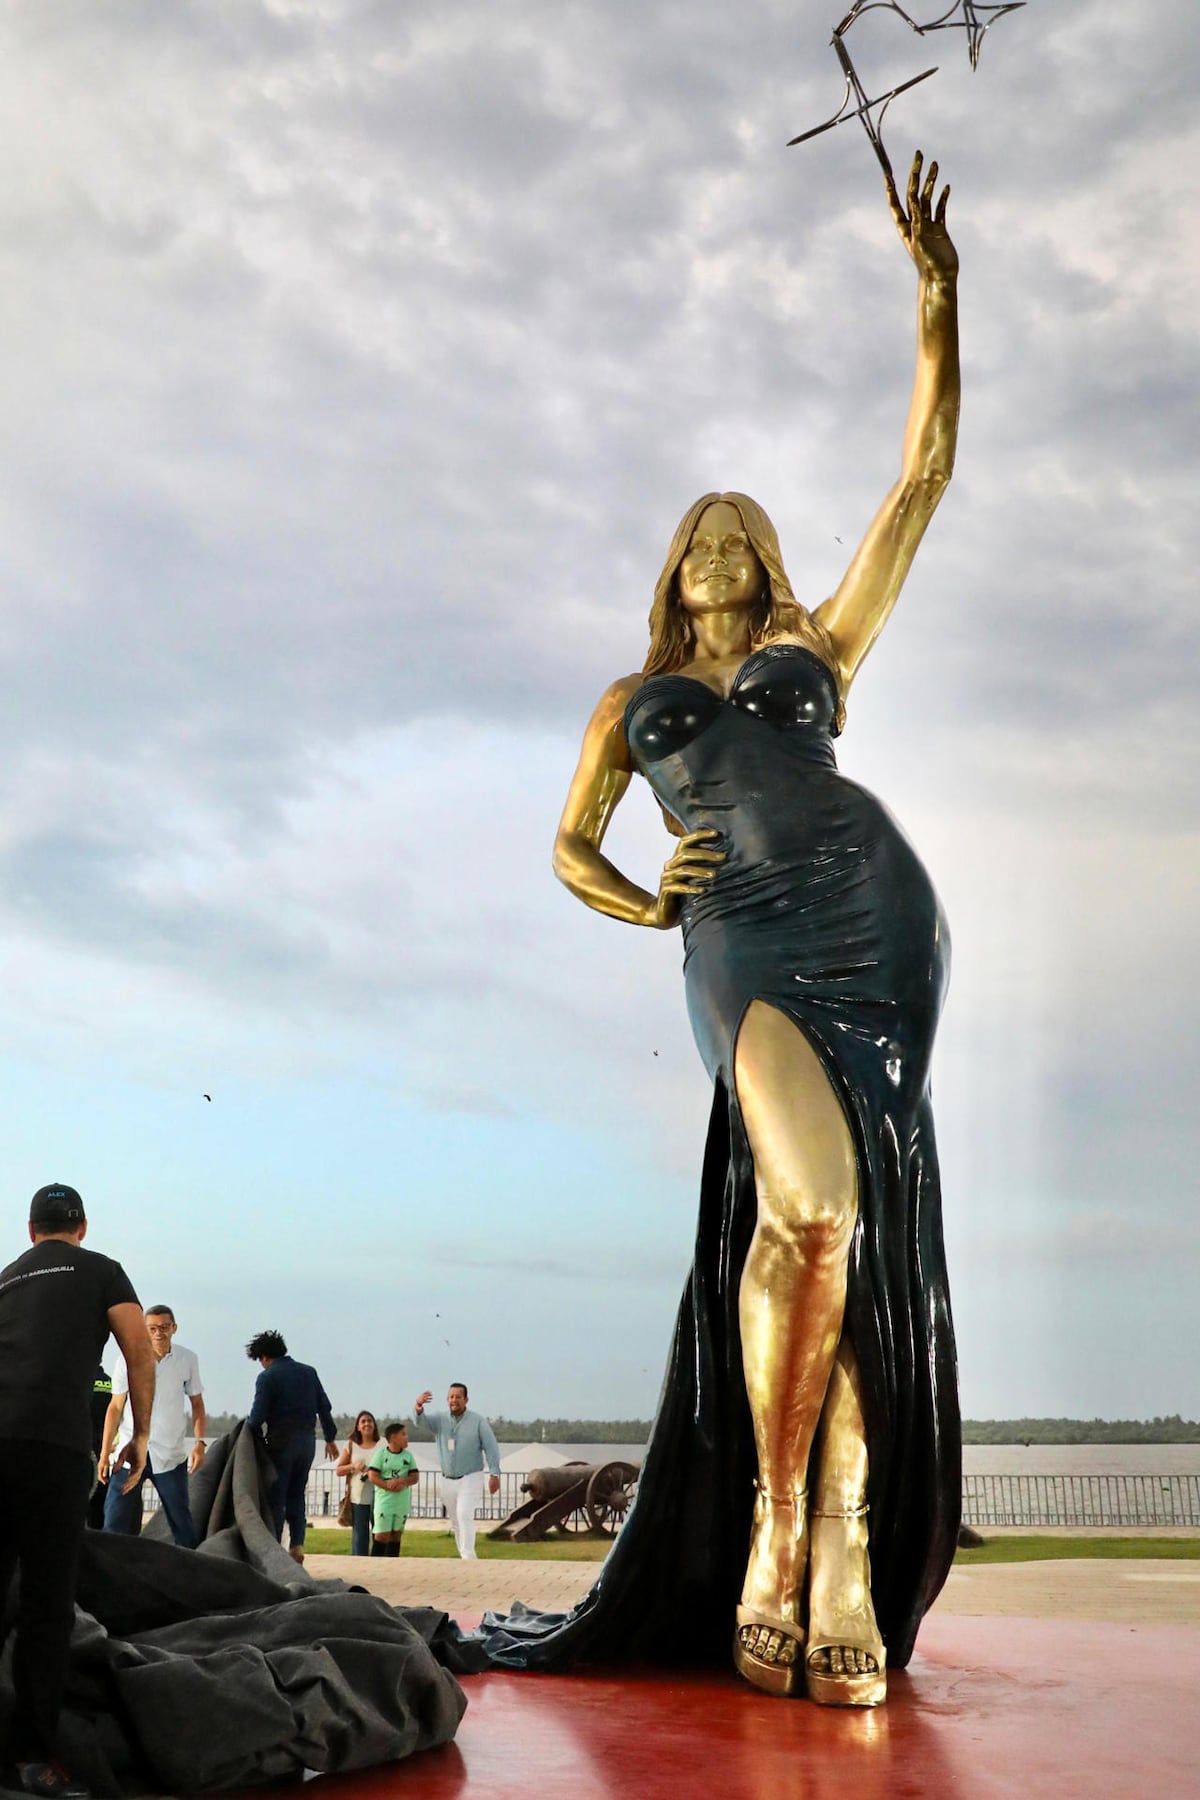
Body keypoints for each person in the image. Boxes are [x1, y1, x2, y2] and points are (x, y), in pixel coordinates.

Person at [478, 152, 961, 1705]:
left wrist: (939, 303)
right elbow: (567, 845)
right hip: (741, 938)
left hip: (874, 921)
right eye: (700, 538)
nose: (724, 551)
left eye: (743, 534)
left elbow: (921, 485)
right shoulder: (636, 701)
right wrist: (643, 894)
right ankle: (775, 1520)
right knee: (810, 1210)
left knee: (855, 1231)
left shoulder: (820, 643)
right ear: (672, 571)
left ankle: (841, 1551)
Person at [0, 1183, 154, 1798]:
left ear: (32, 1230)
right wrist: (139, 1437)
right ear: (81, 1227)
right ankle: (32, 1757)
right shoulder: (102, 1270)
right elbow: (138, 1352)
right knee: (46, 1604)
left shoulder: (6, 1278)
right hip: (55, 1448)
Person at [98, 1304, 206, 1547]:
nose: (159, 1333)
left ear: (174, 1328)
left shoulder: (187, 1359)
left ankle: (190, 1578)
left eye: (164, 1327)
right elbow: (115, 1407)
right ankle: (107, 1579)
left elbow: (197, 1404)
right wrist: (105, 1452)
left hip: (169, 1455)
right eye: (153, 1328)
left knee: (183, 1526)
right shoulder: (127, 1360)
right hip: (128, 1454)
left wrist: (200, 1443)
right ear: (145, 1331)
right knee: (113, 1525)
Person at [245, 1328, 339, 1561]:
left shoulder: (267, 1377)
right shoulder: (309, 1372)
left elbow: (257, 1417)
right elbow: (324, 1408)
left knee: (276, 1497)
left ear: (264, 1357)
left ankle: (275, 1550)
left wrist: (248, 1438)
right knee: (297, 1494)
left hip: (280, 1443)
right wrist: (330, 1438)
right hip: (308, 1443)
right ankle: (297, 1544)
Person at [413, 1383, 501, 1560]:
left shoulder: (478, 1421)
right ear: (447, 1400)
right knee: (456, 1520)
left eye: (458, 1397)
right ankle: (464, 1557)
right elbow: (420, 1422)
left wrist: (494, 1474)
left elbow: (491, 1447)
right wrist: (418, 1407)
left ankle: (469, 1557)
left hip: (471, 1476)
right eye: (451, 1397)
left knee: (464, 1514)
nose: (454, 1400)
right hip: (447, 1479)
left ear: (466, 1400)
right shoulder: (439, 1419)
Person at [367, 1421, 420, 1557]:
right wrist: (388, 1486)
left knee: (396, 1535)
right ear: (393, 1437)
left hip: (401, 1502)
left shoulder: (408, 1456)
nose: (406, 1437)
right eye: (403, 1434)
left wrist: (402, 1481)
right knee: (382, 1535)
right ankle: (375, 1565)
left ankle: (393, 1566)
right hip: (385, 1501)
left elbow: (414, 1477)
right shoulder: (381, 1455)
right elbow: (372, 1476)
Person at [336, 1409, 382, 1555]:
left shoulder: (383, 1444)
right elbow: (339, 1470)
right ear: (357, 1426)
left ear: (374, 1425)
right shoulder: (351, 1445)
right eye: (363, 1421)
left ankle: (382, 1569)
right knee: (359, 1540)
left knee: (380, 1538)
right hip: (358, 1499)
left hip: (381, 1498)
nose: (366, 1424)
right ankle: (360, 1569)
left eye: (369, 1421)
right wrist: (353, 1466)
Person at [86, 1365, 113, 1530]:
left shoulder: (82, 1380)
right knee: (102, 1501)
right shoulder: (110, 1381)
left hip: (85, 1446)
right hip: (107, 1448)